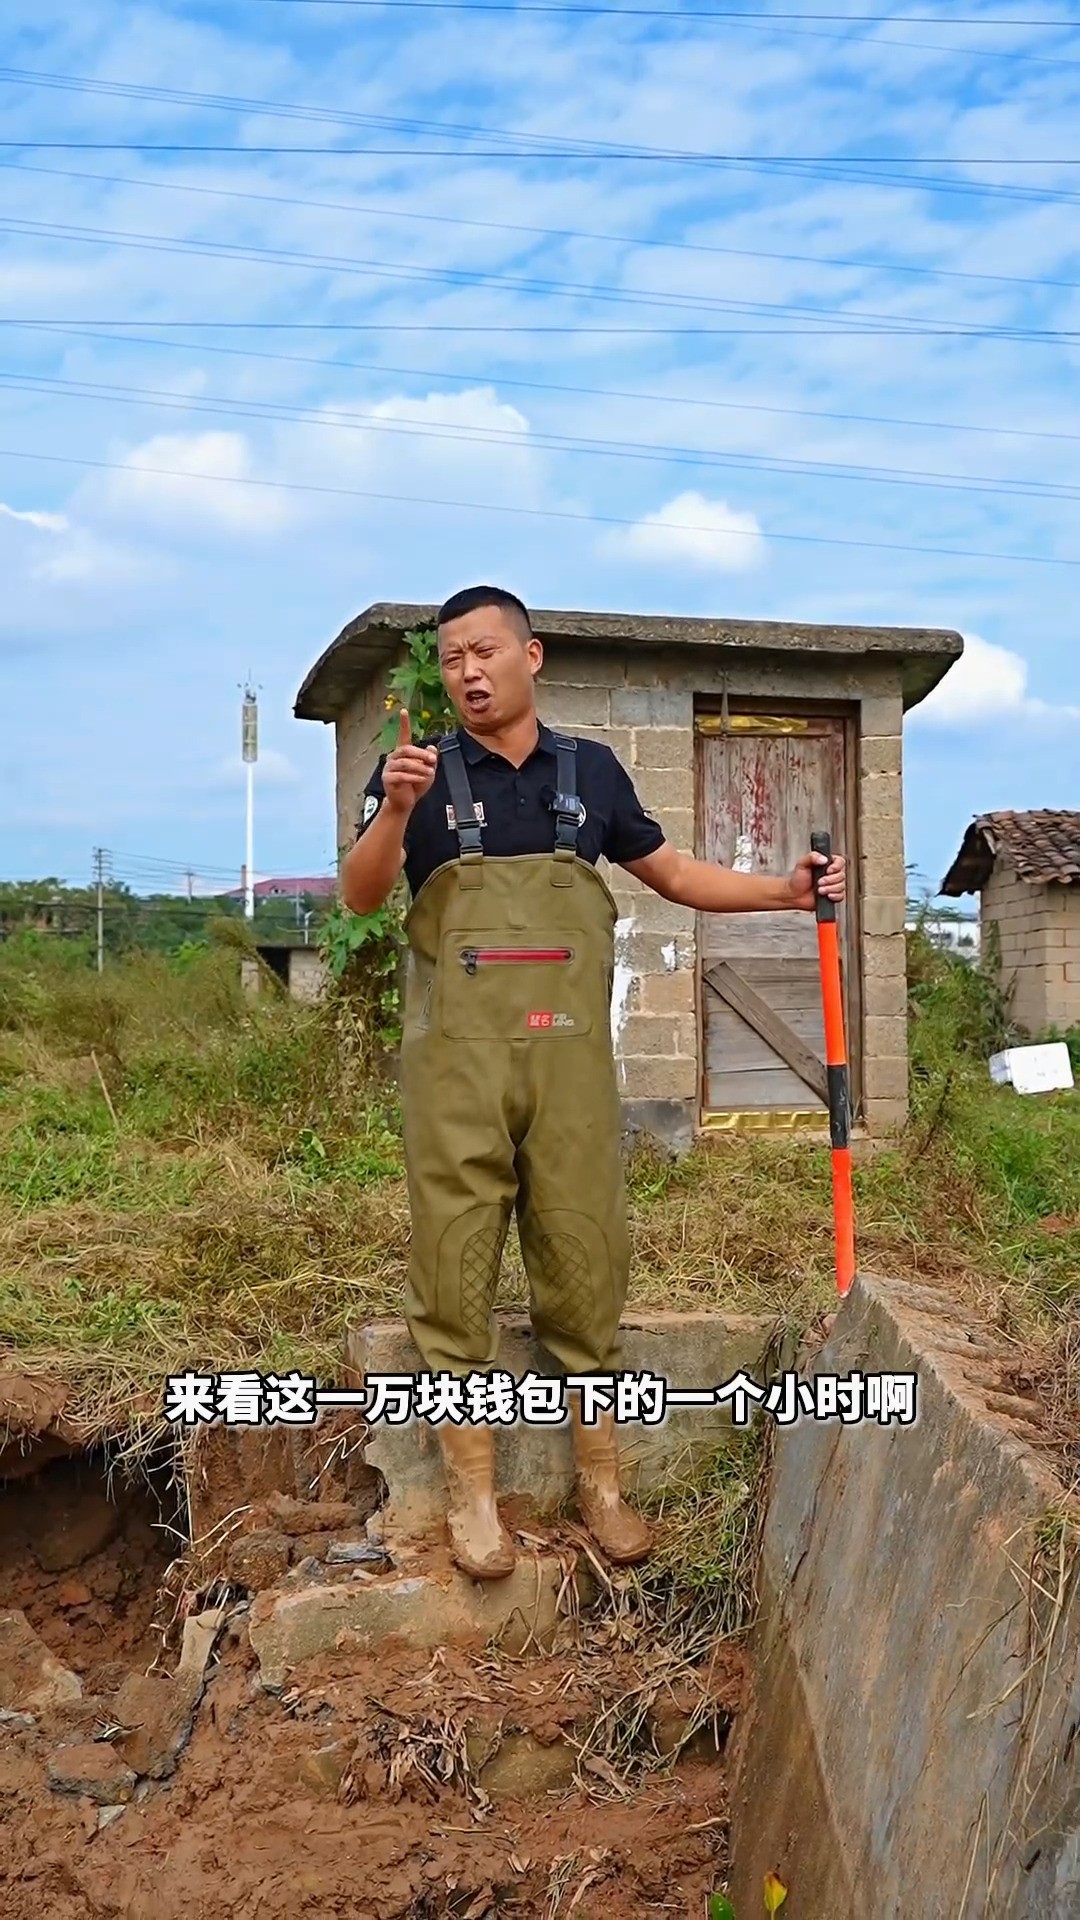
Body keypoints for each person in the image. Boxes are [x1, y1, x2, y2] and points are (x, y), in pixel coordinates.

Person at [341, 585, 846, 1582]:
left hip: (569, 1062)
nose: (469, 672)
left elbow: (674, 875)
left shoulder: (594, 774)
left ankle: (601, 1486)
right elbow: (360, 894)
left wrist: (781, 893)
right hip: (458, 1069)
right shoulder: (415, 775)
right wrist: (396, 810)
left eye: (485, 651)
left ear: (533, 656)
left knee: (585, 1255)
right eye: (451, 660)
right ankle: (471, 1495)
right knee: (453, 1266)